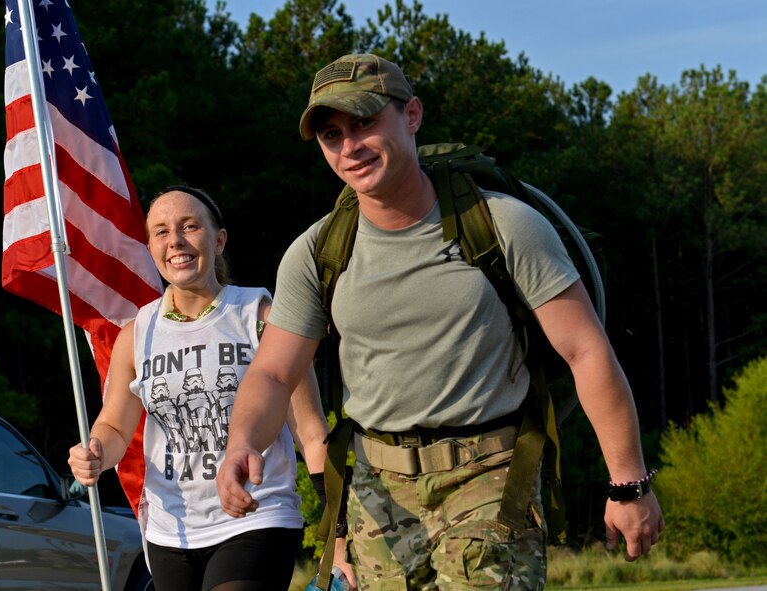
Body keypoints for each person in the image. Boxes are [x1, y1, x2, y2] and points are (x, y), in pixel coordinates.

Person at [216, 54, 665, 590]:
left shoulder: (503, 224)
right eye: (332, 134)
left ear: (412, 115)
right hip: (376, 496)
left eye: (364, 122)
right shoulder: (316, 254)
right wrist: (242, 441)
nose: (349, 146)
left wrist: (628, 483)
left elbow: (586, 350)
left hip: (491, 479)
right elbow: (272, 373)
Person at [68, 185, 331, 591]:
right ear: (151, 245)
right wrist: (96, 452)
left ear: (219, 239)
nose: (175, 240)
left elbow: (312, 432)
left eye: (189, 226)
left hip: (256, 516)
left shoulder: (261, 315)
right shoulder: (136, 334)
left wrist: (340, 524)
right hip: (170, 530)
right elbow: (116, 428)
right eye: (161, 231)